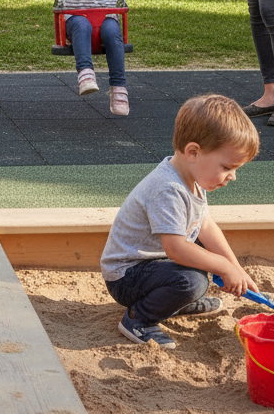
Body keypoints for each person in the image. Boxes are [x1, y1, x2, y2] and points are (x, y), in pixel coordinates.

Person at [101, 94, 262, 349]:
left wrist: (234, 266)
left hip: (152, 265)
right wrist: (222, 266)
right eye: (227, 167)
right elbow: (175, 249)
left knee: (201, 264)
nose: (232, 177)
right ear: (193, 152)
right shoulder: (168, 188)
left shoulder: (193, 178)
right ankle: (138, 319)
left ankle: (175, 303)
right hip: (126, 276)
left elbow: (205, 225)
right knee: (193, 281)